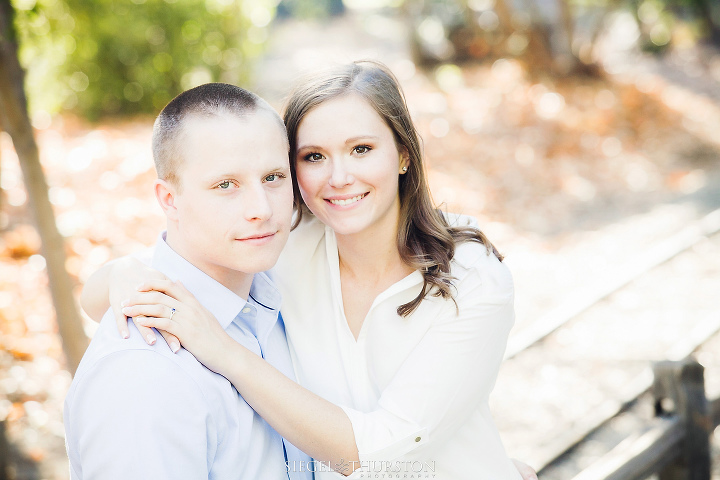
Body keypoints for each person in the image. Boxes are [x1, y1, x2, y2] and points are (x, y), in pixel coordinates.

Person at [82, 61, 536, 480]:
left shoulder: (469, 277)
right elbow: (112, 288)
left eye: (361, 148)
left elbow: (379, 457)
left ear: (403, 154)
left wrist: (222, 350)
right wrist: (126, 274)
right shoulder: (284, 246)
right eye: (314, 156)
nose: (339, 177)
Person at [64, 83, 312, 480]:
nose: (262, 209)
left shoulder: (277, 289)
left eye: (273, 177)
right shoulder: (145, 374)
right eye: (225, 185)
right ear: (169, 199)